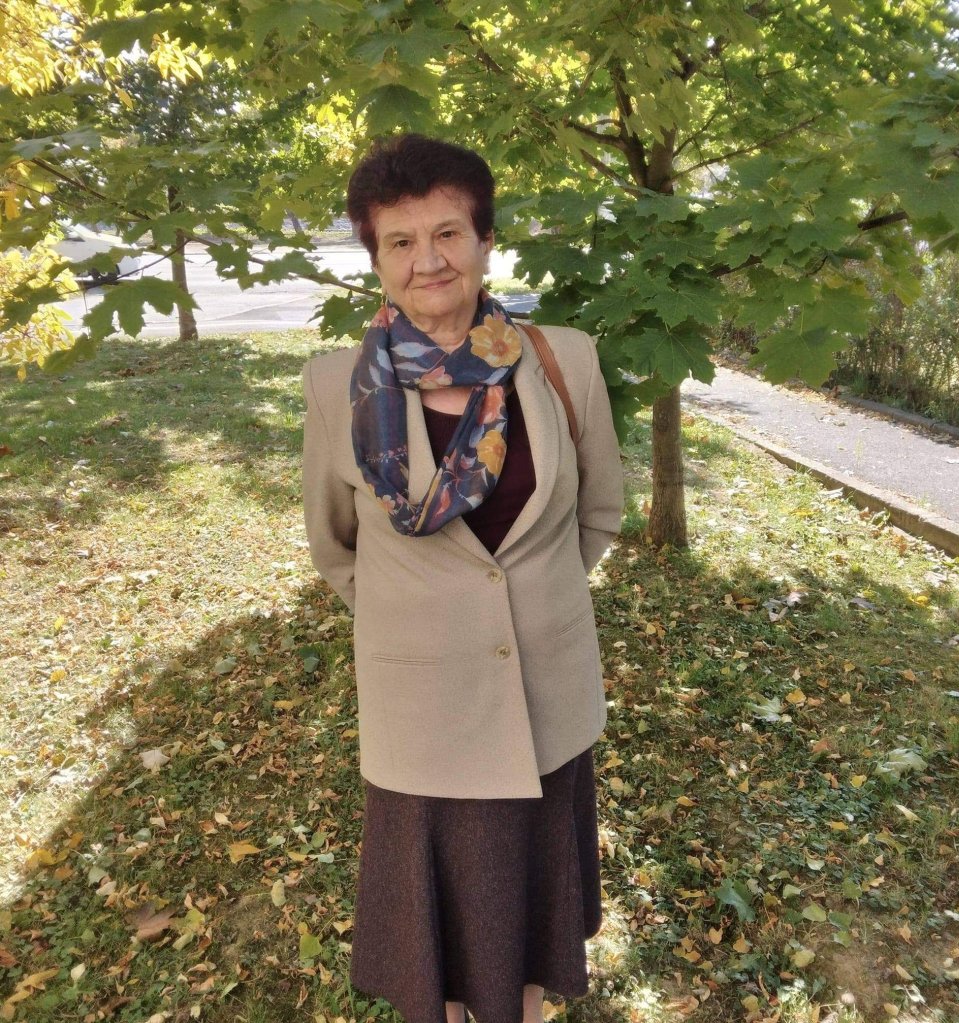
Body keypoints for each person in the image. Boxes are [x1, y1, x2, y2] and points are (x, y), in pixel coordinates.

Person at [301, 134, 624, 1023]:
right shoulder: (335, 388)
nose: (428, 259)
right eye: (400, 241)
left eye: (448, 232)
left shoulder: (564, 361)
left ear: (485, 241)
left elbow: (597, 511)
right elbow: (336, 548)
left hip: (547, 705)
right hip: (423, 721)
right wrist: (425, 619)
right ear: (376, 259)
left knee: (528, 937)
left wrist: (526, 606)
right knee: (436, 958)